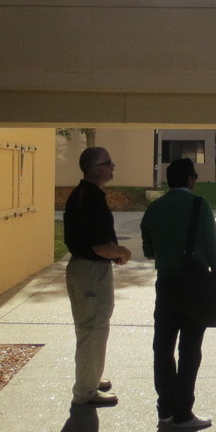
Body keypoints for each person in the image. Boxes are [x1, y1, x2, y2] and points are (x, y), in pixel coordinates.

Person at [140, 158, 216, 430]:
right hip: (194, 286)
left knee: (163, 347)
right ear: (191, 179)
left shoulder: (154, 209)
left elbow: (149, 251)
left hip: (165, 285)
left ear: (168, 180)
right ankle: (183, 412)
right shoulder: (200, 206)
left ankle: (165, 407)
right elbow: (214, 251)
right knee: (190, 349)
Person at [63, 146, 131, 407]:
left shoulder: (87, 195)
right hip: (90, 272)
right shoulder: (89, 198)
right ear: (94, 169)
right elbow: (100, 246)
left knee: (94, 327)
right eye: (108, 162)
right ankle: (85, 392)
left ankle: (91, 379)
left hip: (90, 270)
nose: (113, 166)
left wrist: (111, 254)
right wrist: (122, 252)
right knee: (92, 329)